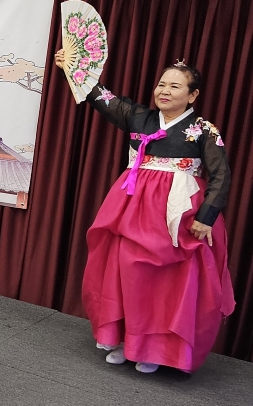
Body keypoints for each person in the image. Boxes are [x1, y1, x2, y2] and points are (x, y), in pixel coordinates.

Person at [54, 51, 235, 374]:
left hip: (176, 213)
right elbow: (101, 96)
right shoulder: (140, 117)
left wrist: (205, 218)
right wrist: (74, 66)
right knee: (128, 273)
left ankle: (155, 349)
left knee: (165, 284)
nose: (164, 91)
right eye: (161, 84)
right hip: (134, 206)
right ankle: (127, 340)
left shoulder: (203, 130)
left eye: (175, 86)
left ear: (193, 95)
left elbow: (221, 175)